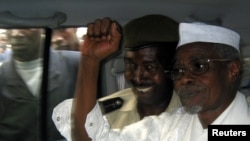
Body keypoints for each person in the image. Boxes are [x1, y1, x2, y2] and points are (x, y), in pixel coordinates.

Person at [71, 19, 250, 141]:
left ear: (232, 70)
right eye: (178, 70)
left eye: (198, 66)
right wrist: (89, 61)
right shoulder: (172, 126)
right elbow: (92, 137)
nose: (184, 78)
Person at [52, 14, 182, 140]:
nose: (137, 78)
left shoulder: (191, 115)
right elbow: (83, 134)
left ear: (174, 68)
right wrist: (90, 60)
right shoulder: (107, 112)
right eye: (130, 65)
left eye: (150, 67)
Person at [0, 28, 80, 141]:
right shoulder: (2, 76)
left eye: (26, 26)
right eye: (10, 27)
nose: (16, 34)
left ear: (41, 28)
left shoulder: (76, 64)